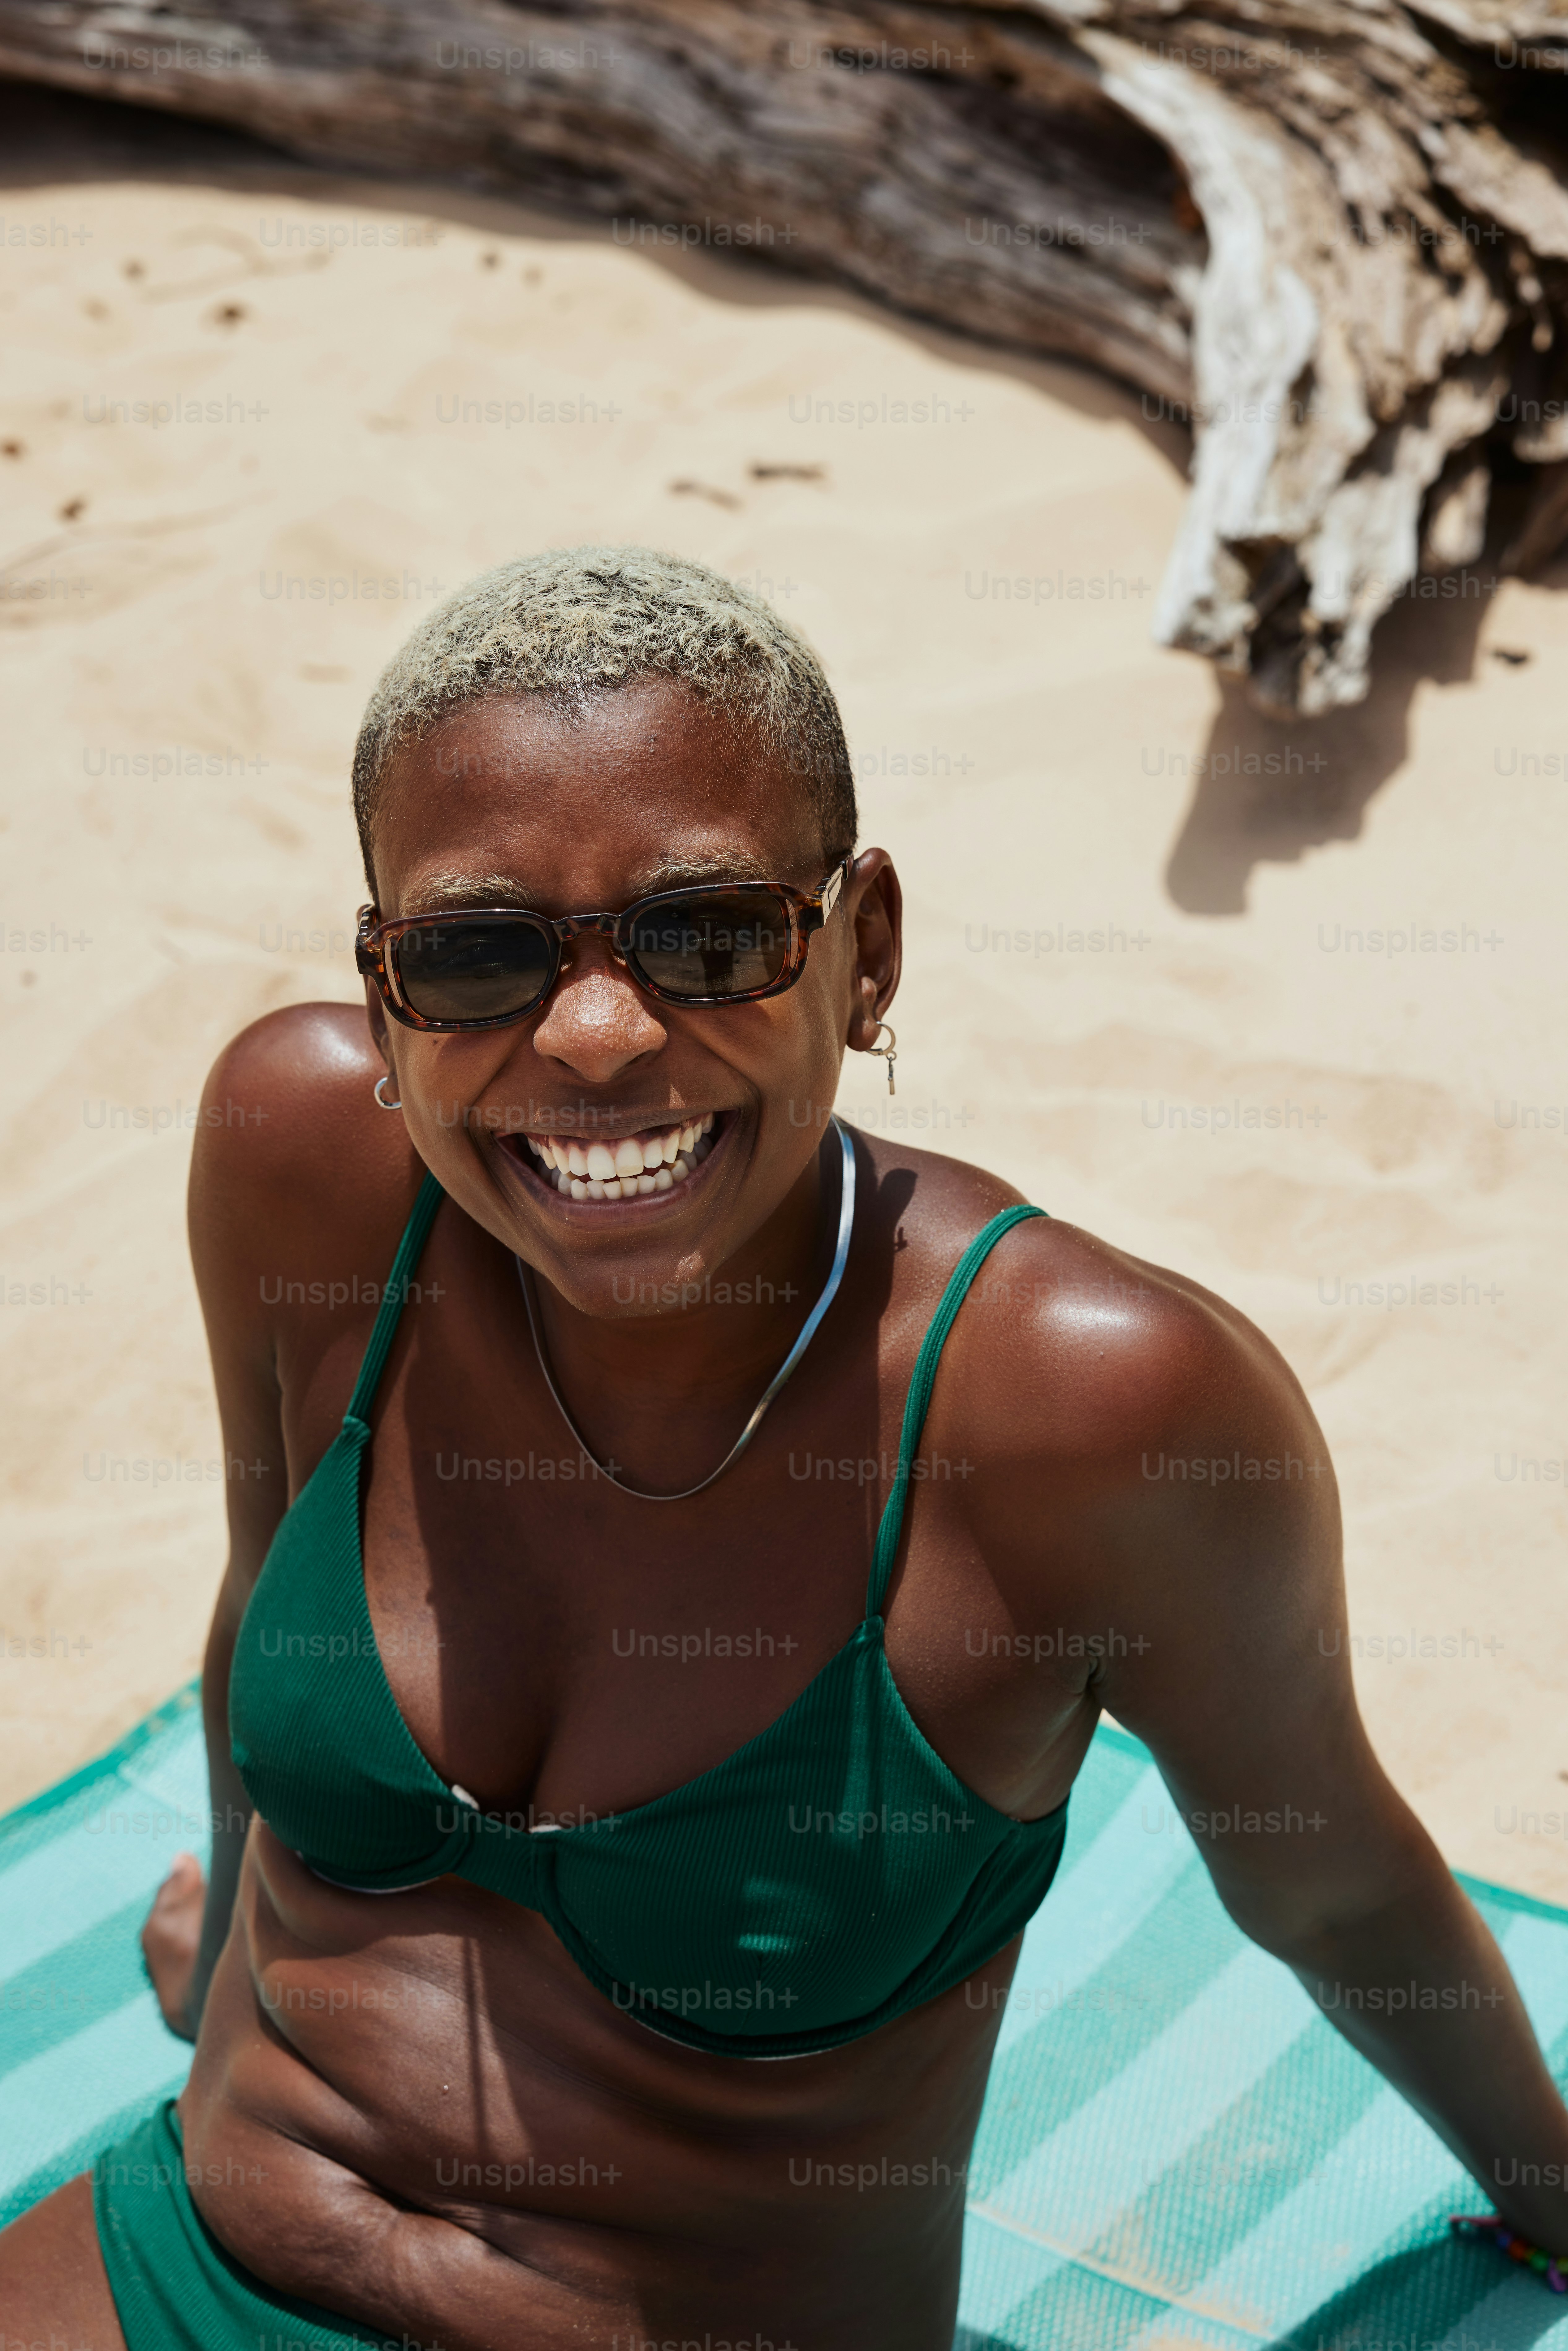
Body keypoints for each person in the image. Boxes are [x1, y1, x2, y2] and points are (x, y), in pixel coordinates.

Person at [2, 546, 1564, 2351]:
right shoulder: (307, 1156)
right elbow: (253, 1589)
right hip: (202, 2251)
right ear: (384, 984)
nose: (594, 1035)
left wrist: (1557, 2192)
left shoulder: (1083, 1411)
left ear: (866, 952)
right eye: (477, 953)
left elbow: (1329, 1869)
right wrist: (219, 1958)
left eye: (708, 935)